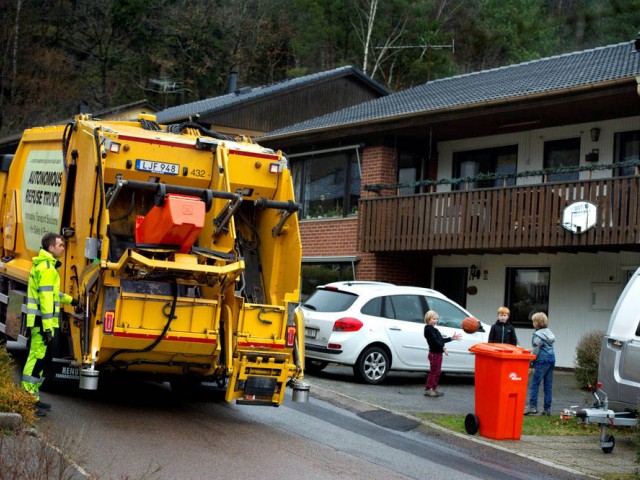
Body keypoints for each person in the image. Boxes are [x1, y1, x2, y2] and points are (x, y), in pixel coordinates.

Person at [22, 233, 78, 417]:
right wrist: (47, 329)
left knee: (40, 360)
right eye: (60, 245)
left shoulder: (46, 267)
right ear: (51, 248)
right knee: (36, 359)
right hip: (42, 322)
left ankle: (32, 398)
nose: (63, 248)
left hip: (41, 321)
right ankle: (27, 400)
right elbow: (46, 302)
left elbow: (54, 295)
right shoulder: (47, 269)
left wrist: (73, 301)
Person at [423, 310, 461, 397]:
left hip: (438, 354)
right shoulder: (428, 329)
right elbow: (434, 340)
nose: (436, 320)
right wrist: (442, 348)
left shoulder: (435, 329)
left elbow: (441, 340)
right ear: (428, 319)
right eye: (434, 319)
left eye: (436, 319)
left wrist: (451, 338)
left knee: (438, 372)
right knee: (433, 372)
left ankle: (434, 389)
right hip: (434, 354)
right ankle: (429, 389)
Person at [524, 312, 556, 416]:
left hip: (542, 361)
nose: (533, 323)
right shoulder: (549, 332)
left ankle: (532, 407)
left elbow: (536, 350)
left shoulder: (537, 334)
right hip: (551, 360)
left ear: (538, 323)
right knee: (548, 385)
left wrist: (530, 360)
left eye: (534, 321)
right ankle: (547, 409)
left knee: (534, 384)